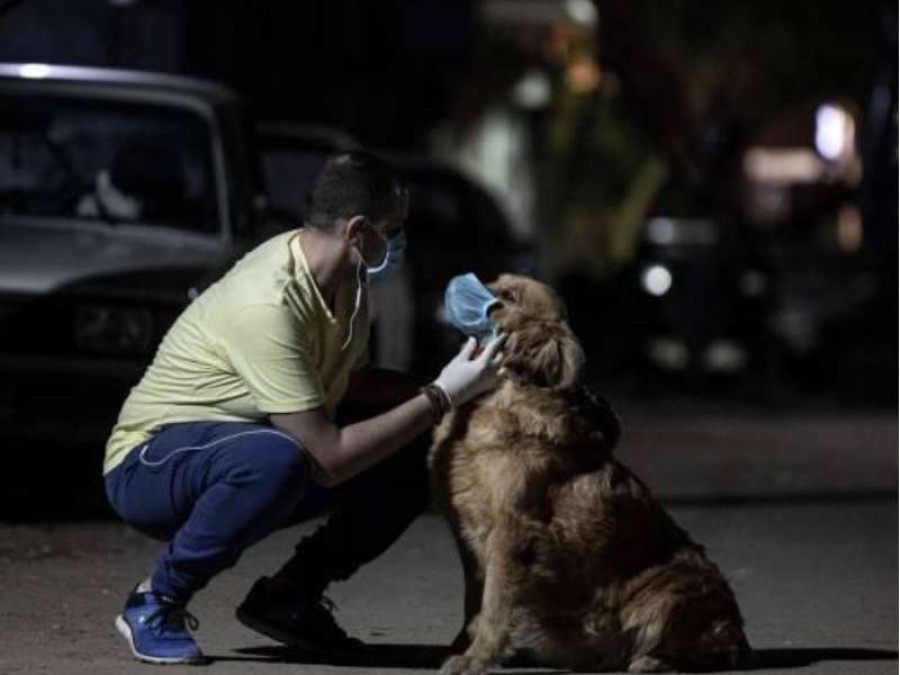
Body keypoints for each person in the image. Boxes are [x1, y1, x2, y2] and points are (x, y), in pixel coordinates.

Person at [103, 151, 505, 665]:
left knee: (415, 447)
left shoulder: (349, 287)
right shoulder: (267, 302)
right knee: (281, 458)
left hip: (243, 442)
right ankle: (155, 601)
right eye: (394, 228)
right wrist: (441, 394)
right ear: (358, 230)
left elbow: (353, 383)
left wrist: (460, 386)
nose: (400, 242)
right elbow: (328, 457)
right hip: (148, 464)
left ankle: (289, 597)